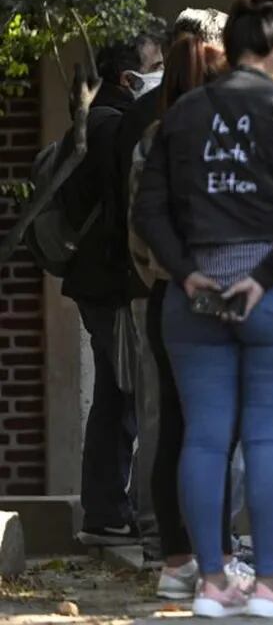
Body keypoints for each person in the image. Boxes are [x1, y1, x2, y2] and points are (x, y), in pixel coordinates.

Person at [134, 0, 273, 618]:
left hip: (194, 299)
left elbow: (149, 210)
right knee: (269, 437)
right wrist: (266, 272)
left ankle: (212, 583)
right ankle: (271, 584)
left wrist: (189, 273)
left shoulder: (183, 115)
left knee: (202, 438)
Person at [126, 24, 255, 599]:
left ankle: (179, 560)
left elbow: (141, 228)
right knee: (211, 432)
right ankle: (214, 560)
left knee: (180, 428)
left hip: (166, 292)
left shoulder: (154, 136)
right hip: (207, 294)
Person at [68, 32, 165, 548]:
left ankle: (106, 509)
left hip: (97, 280)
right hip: (111, 281)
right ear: (129, 78)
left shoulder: (96, 120)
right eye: (156, 64)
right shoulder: (117, 124)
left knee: (114, 389)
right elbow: (124, 209)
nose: (163, 70)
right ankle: (112, 508)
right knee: (129, 394)